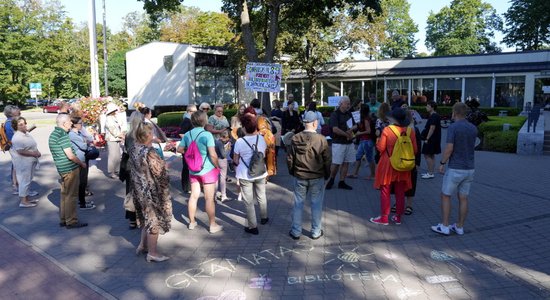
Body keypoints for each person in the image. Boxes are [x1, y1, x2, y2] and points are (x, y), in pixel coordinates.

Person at [431, 102, 477, 236]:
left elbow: (450, 148)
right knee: (463, 198)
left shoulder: (453, 127)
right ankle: (459, 226)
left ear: (455, 113)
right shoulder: (473, 128)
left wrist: (442, 162)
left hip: (455, 168)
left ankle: (445, 226)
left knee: (445, 195)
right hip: (470, 168)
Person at [129, 122, 172, 262]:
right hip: (150, 192)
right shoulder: (149, 152)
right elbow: (159, 173)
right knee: (154, 221)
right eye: (151, 133)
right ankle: (153, 253)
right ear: (146, 135)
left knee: (146, 218)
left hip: (138, 189)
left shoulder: (133, 147)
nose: (153, 135)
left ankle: (143, 245)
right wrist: (165, 166)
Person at [177, 111, 223, 234]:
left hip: (193, 169)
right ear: (204, 121)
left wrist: (190, 151)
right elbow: (212, 154)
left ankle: (192, 222)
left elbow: (179, 149)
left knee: (193, 196)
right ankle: (212, 224)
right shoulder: (207, 135)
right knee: (209, 198)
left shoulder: (187, 134)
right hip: (207, 169)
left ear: (192, 121)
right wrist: (217, 165)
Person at [286, 111, 331, 240]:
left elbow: (289, 158)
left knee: (298, 203)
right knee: (316, 204)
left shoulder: (295, 138)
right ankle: (316, 231)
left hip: (299, 175)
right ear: (315, 123)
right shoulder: (321, 139)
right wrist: (327, 174)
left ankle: (296, 231)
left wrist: (292, 172)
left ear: (305, 122)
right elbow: (327, 159)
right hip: (317, 176)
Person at [369, 107, 418, 225]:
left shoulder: (387, 130)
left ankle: (384, 218)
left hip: (388, 164)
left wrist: (377, 141)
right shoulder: (410, 131)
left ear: (393, 118)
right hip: (403, 165)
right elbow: (415, 150)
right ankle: (398, 218)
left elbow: (381, 148)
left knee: (385, 190)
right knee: (400, 191)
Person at [49, 114, 88, 229]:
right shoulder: (63, 135)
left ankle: (64, 219)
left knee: (65, 195)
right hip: (70, 169)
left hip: (62, 169)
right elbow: (70, 156)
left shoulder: (54, 134)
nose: (71, 123)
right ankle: (71, 221)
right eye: (70, 122)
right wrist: (81, 163)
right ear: (64, 123)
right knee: (71, 196)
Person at [233, 113, 268, 235]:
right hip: (260, 172)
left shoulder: (239, 142)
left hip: (245, 174)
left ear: (244, 128)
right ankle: (264, 217)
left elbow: (236, 160)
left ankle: (253, 226)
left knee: (248, 201)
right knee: (261, 195)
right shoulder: (261, 139)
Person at [10, 117, 41, 208]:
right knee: (24, 181)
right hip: (23, 162)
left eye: (24, 123)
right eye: (21, 124)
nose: (24, 125)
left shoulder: (25, 133)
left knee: (27, 180)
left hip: (29, 161)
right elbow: (20, 151)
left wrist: (36, 152)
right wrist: (34, 153)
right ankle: (23, 202)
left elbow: (31, 145)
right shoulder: (17, 137)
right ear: (16, 126)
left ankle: (27, 199)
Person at [326, 96, 355, 190]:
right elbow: (335, 129)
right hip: (338, 143)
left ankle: (342, 181)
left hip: (348, 143)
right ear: (341, 104)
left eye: (349, 103)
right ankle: (331, 180)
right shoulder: (335, 114)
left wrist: (351, 130)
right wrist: (346, 134)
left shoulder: (349, 114)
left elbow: (354, 125)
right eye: (347, 103)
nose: (348, 105)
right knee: (336, 163)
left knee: (346, 162)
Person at [68, 115, 96, 210]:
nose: (82, 125)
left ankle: (82, 200)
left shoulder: (78, 133)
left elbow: (85, 141)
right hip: (80, 160)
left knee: (83, 181)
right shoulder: (72, 134)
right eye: (80, 123)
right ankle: (82, 203)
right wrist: (88, 144)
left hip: (84, 158)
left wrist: (86, 143)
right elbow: (84, 146)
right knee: (82, 181)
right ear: (75, 125)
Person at [123, 111, 144, 229]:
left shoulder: (128, 135)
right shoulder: (142, 134)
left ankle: (132, 219)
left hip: (130, 166)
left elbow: (126, 150)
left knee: (130, 193)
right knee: (141, 192)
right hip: (141, 166)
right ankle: (141, 217)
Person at [249, 98, 276, 177]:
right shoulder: (265, 115)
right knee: (269, 157)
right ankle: (268, 172)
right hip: (270, 138)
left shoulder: (255, 117)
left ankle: (263, 173)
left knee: (260, 156)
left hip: (260, 138)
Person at [348, 105, 375, 180]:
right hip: (363, 141)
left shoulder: (366, 119)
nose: (358, 109)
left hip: (367, 141)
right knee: (358, 156)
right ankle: (355, 173)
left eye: (360, 108)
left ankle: (373, 175)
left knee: (369, 158)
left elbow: (368, 131)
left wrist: (359, 133)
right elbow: (357, 125)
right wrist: (350, 129)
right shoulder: (362, 118)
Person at [420, 101, 442, 179]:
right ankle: (431, 172)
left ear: (432, 107)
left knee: (426, 154)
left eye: (428, 106)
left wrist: (427, 138)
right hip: (435, 138)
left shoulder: (433, 116)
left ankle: (430, 172)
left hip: (431, 139)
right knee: (431, 155)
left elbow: (432, 128)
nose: (426, 107)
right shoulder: (436, 115)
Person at [179, 105, 197, 194]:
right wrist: (190, 141)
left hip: (191, 147)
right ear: (189, 112)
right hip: (187, 148)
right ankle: (186, 187)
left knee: (190, 166)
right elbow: (181, 134)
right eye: (194, 111)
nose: (195, 113)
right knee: (186, 167)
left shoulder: (191, 120)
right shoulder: (186, 120)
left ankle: (190, 185)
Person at [4, 105, 21, 195]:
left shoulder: (11, 122)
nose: (18, 111)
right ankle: (16, 186)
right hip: (14, 147)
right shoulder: (10, 123)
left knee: (15, 166)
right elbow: (16, 136)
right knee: (16, 167)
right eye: (15, 110)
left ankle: (17, 186)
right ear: (10, 113)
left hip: (14, 146)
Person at [104, 103, 125, 178]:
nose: (116, 111)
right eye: (115, 110)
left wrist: (121, 135)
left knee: (117, 155)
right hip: (111, 139)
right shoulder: (109, 119)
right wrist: (121, 136)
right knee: (112, 156)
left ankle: (117, 170)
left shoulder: (113, 117)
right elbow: (112, 129)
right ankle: (111, 172)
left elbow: (118, 127)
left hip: (116, 139)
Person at [215, 130, 232, 202]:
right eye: (228, 138)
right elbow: (223, 155)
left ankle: (214, 194)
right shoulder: (220, 143)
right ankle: (223, 196)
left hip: (215, 160)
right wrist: (228, 148)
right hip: (221, 160)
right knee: (222, 178)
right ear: (225, 137)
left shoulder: (215, 141)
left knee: (215, 178)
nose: (229, 139)